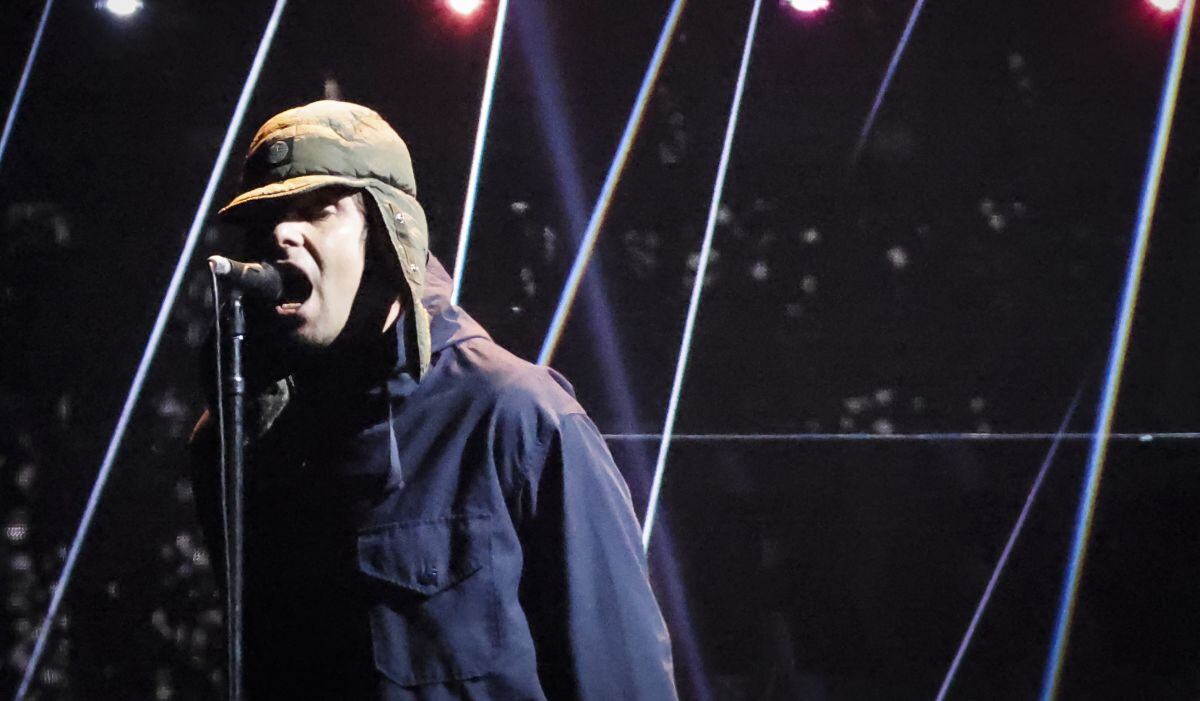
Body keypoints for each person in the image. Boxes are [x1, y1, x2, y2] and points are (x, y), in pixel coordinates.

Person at [189, 100, 678, 700]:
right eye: (265, 220)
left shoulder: (515, 416)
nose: (281, 235)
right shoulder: (248, 439)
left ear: (391, 233)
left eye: (318, 209)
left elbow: (619, 677)